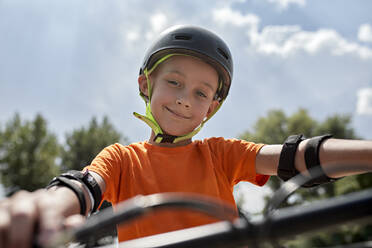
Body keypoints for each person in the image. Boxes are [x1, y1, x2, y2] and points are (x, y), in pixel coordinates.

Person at [0, 25, 371, 248]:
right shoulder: (122, 159)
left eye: (200, 93)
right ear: (146, 84)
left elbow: (297, 157)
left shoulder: (220, 155)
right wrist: (46, 208)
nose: (184, 99)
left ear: (211, 107)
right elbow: (84, 187)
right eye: (174, 82)